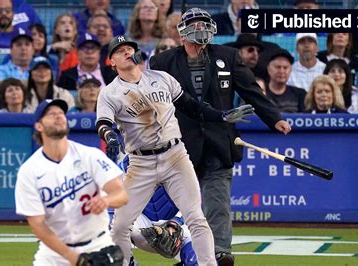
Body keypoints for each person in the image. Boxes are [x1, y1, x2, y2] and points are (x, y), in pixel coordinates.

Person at [149, 8, 291, 265]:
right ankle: (190, 254)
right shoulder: (162, 62)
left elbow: (251, 90)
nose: (201, 29)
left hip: (219, 142)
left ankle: (220, 253)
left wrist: (275, 117)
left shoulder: (228, 56)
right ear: (182, 31)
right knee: (183, 208)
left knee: (217, 203)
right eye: (195, 24)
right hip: (179, 146)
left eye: (205, 24)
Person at [97, 35, 255, 266]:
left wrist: (220, 115)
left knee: (196, 218)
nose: (127, 52)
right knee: (120, 226)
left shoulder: (161, 79)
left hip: (175, 156)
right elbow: (103, 123)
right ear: (112, 62)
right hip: (141, 163)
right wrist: (110, 136)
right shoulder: (110, 93)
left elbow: (191, 106)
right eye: (120, 51)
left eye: (130, 48)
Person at [15, 98, 128, 265]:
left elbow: (121, 194)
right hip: (55, 253)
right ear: (39, 126)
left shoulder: (90, 155)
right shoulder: (29, 170)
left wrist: (106, 200)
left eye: (61, 113)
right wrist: (72, 257)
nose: (59, 116)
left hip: (98, 244)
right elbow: (37, 224)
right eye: (51, 114)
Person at [266, 48, 307, 113]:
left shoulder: (300, 94)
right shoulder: (260, 92)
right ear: (268, 69)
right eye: (278, 67)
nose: (282, 71)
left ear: (290, 70)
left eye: (285, 68)